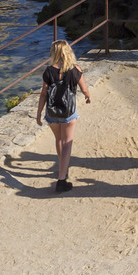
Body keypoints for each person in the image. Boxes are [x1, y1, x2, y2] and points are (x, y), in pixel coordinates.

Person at [36, 40, 91, 192]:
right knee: (67, 142)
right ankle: (61, 180)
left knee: (59, 139)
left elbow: (43, 94)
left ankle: (63, 168)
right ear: (68, 52)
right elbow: (84, 88)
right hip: (68, 112)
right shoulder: (75, 70)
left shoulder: (48, 71)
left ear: (54, 52)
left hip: (52, 113)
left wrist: (39, 114)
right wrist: (88, 97)